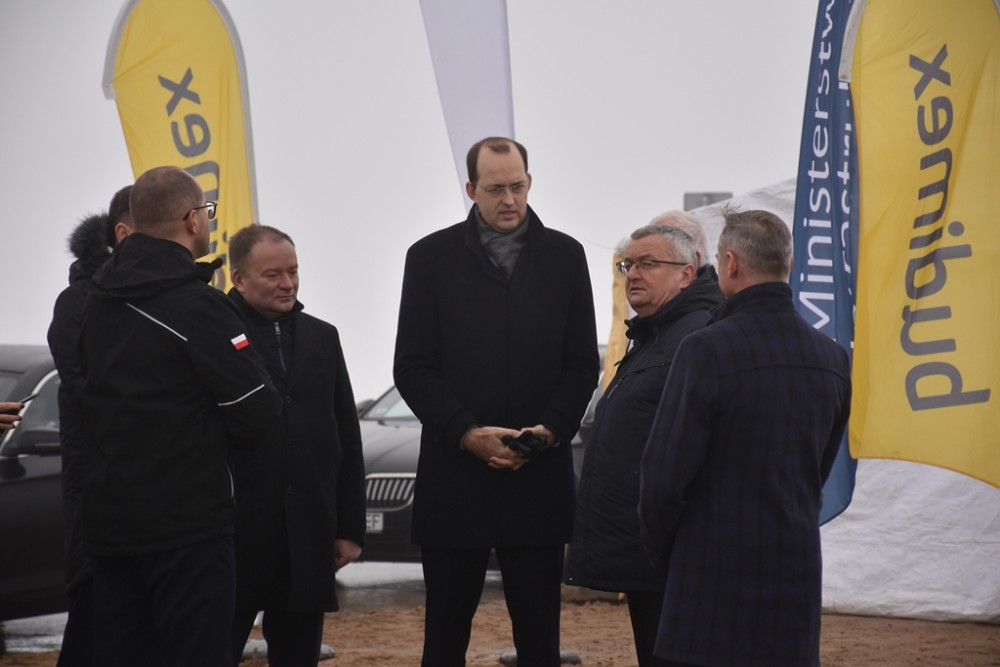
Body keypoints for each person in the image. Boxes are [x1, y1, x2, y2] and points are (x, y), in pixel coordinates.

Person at [393, 136, 600, 666]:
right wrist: (467, 433)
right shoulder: (429, 259)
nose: (509, 199)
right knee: (444, 640)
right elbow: (412, 368)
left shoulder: (566, 258)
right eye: (495, 189)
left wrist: (549, 431)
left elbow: (581, 364)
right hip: (455, 480)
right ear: (470, 190)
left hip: (538, 478)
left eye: (518, 186)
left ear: (530, 183)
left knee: (540, 642)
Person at [78, 165, 281, 667]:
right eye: (207, 212)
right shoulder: (197, 306)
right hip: (188, 528)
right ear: (193, 220)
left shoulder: (95, 301)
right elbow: (258, 409)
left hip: (108, 523)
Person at [638, 209, 852, 667]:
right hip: (793, 574)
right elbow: (816, 474)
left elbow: (663, 478)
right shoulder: (833, 359)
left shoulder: (705, 349)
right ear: (789, 264)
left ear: (730, 264)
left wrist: (667, 555)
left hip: (709, 581)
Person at [565, 224, 723, 667]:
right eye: (628, 264)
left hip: (676, 555)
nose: (633, 274)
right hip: (647, 551)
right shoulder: (654, 333)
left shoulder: (697, 336)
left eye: (648, 263)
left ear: (687, 274)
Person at [227, 225, 366, 666]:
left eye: (293, 271)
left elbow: (346, 435)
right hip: (234, 534)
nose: (288, 283)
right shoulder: (214, 336)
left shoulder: (323, 337)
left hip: (307, 532)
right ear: (238, 278)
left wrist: (350, 528)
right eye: (273, 275)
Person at [46, 184, 133, 667]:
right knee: (95, 608)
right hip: (101, 484)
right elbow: (91, 395)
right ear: (123, 234)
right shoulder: (79, 301)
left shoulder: (168, 298)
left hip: (154, 491)